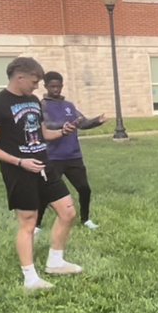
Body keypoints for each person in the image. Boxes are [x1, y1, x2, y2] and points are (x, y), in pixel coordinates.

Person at [0, 57, 83, 291]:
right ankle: (30, 279)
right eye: (34, 82)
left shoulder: (34, 101)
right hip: (18, 171)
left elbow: (42, 134)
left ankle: (55, 262)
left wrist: (63, 132)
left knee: (68, 212)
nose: (37, 87)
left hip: (45, 166)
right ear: (20, 77)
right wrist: (20, 162)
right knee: (28, 222)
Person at [36, 71, 105, 232]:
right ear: (46, 86)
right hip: (53, 157)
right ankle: (36, 225)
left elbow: (82, 122)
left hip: (73, 156)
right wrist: (65, 125)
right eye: (52, 86)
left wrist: (97, 121)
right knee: (47, 192)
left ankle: (86, 220)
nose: (56, 89)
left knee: (84, 189)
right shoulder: (42, 106)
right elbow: (46, 126)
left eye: (58, 86)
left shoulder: (69, 106)